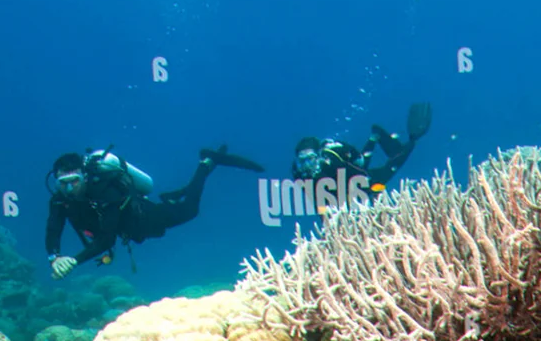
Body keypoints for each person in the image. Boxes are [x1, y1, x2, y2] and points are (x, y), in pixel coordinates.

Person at [45, 143, 263, 279]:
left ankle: (206, 163)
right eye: (62, 183)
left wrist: (74, 260)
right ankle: (176, 191)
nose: (69, 188)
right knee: (184, 207)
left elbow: (107, 240)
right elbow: (54, 227)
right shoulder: (59, 200)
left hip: (146, 218)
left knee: (190, 210)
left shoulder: (105, 192)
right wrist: (54, 257)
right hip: (125, 227)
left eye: (74, 181)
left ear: (84, 176)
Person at [292, 102, 432, 188]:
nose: (306, 165)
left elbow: (360, 171)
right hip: (344, 184)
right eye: (301, 160)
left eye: (310, 158)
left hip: (357, 173)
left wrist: (371, 188)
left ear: (319, 156)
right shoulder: (298, 172)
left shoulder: (333, 162)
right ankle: (375, 136)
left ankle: (411, 139)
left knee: (388, 169)